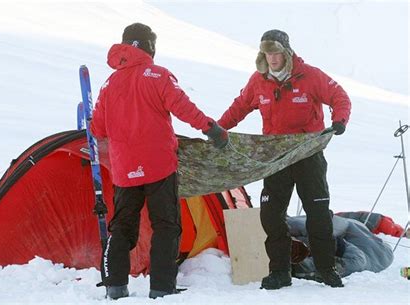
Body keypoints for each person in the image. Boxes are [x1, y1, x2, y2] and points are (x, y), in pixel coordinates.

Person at [90, 22, 229, 300]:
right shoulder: (159, 75)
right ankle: (162, 288)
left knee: (121, 226)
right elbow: (183, 107)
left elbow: (98, 129)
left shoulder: (110, 83)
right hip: (158, 166)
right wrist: (210, 128)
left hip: (124, 170)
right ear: (150, 46)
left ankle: (116, 287)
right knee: (165, 225)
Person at [217, 29, 351, 289]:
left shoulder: (310, 75)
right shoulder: (258, 80)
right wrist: (218, 130)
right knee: (271, 215)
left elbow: (340, 97)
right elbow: (239, 106)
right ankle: (279, 271)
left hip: (308, 154)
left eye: (276, 53)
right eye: (268, 53)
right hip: (275, 157)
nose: (272, 58)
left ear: (286, 52)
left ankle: (326, 270)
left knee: (318, 213)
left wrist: (339, 120)